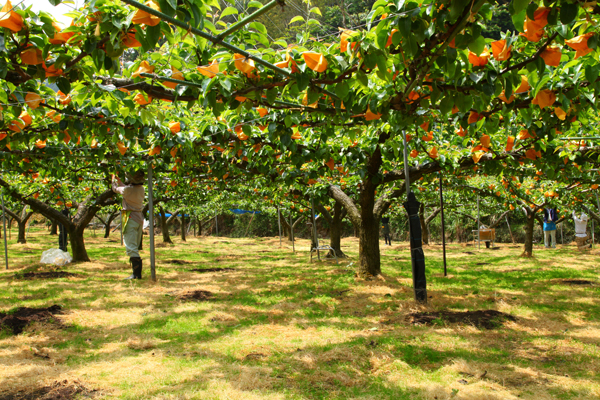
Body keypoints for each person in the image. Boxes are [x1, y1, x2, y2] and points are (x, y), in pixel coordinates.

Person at [112, 169, 145, 279]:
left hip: (130, 219)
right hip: (139, 218)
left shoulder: (128, 190)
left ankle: (136, 274)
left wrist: (113, 180)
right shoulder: (141, 189)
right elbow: (124, 188)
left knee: (131, 246)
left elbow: (115, 189)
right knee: (134, 244)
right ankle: (136, 274)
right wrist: (119, 180)